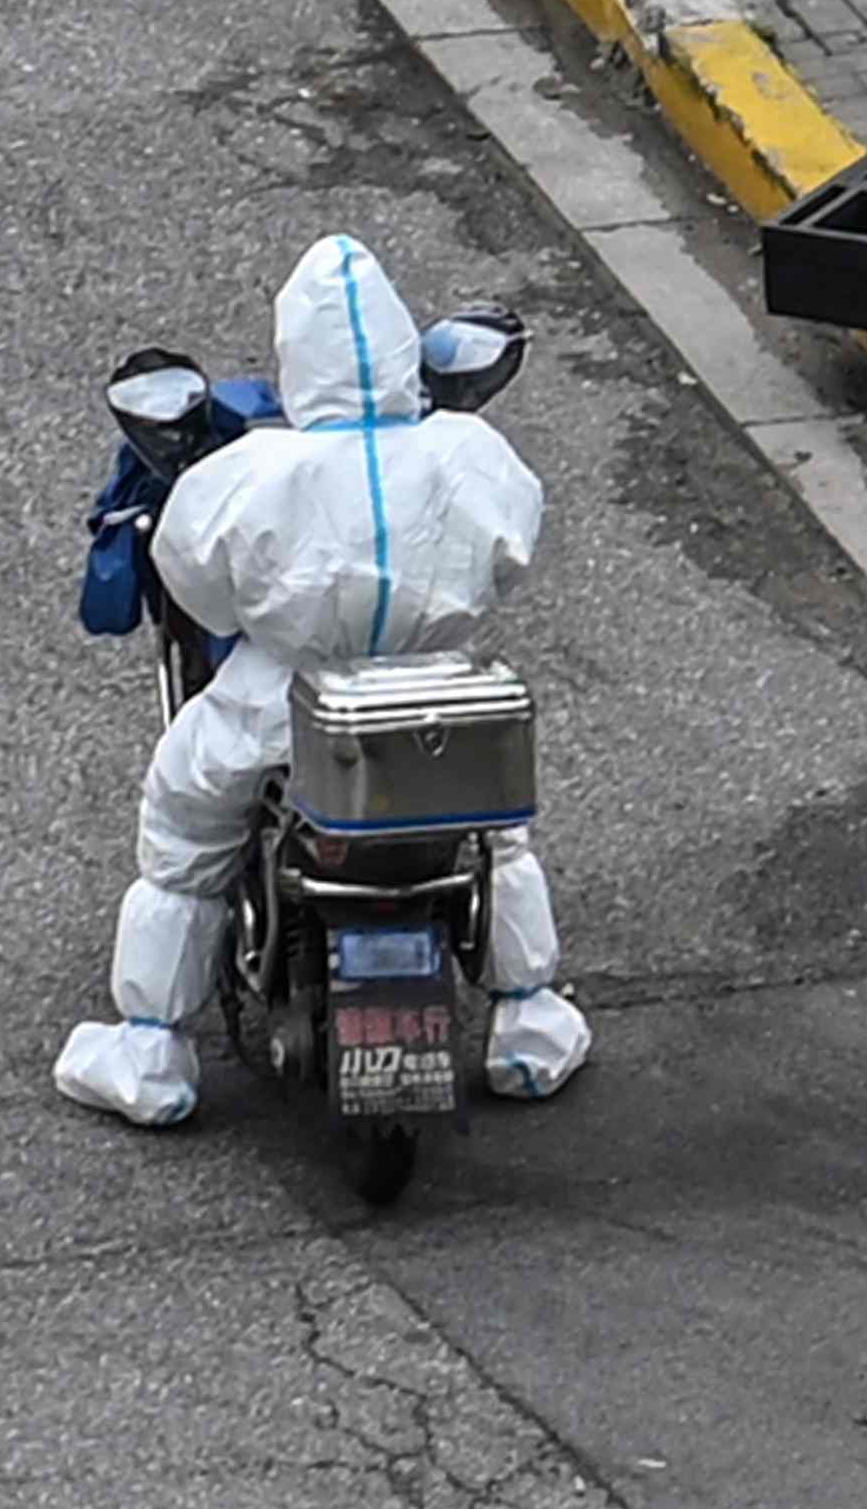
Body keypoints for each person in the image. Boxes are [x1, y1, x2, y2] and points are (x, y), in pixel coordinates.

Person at [55, 233, 588, 1126]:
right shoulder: (471, 451)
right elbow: (511, 554)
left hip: (279, 698)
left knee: (183, 845)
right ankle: (527, 1021)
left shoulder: (247, 473)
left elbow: (198, 595)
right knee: (497, 842)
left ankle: (150, 1049)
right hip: (435, 690)